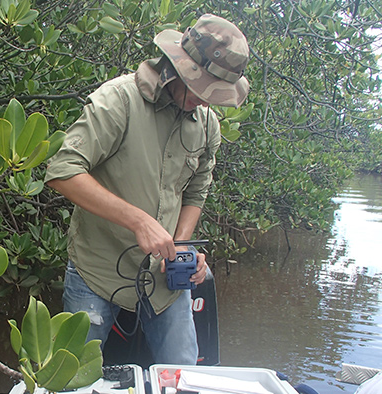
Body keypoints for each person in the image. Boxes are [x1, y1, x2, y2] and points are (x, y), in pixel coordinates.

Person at [44, 14, 250, 365]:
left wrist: (182, 246)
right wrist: (138, 221)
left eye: (213, 94)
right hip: (97, 272)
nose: (204, 101)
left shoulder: (207, 124)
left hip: (166, 283)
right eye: (201, 89)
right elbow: (62, 171)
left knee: (186, 376)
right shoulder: (119, 100)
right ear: (178, 67)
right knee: (72, 377)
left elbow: (196, 191)